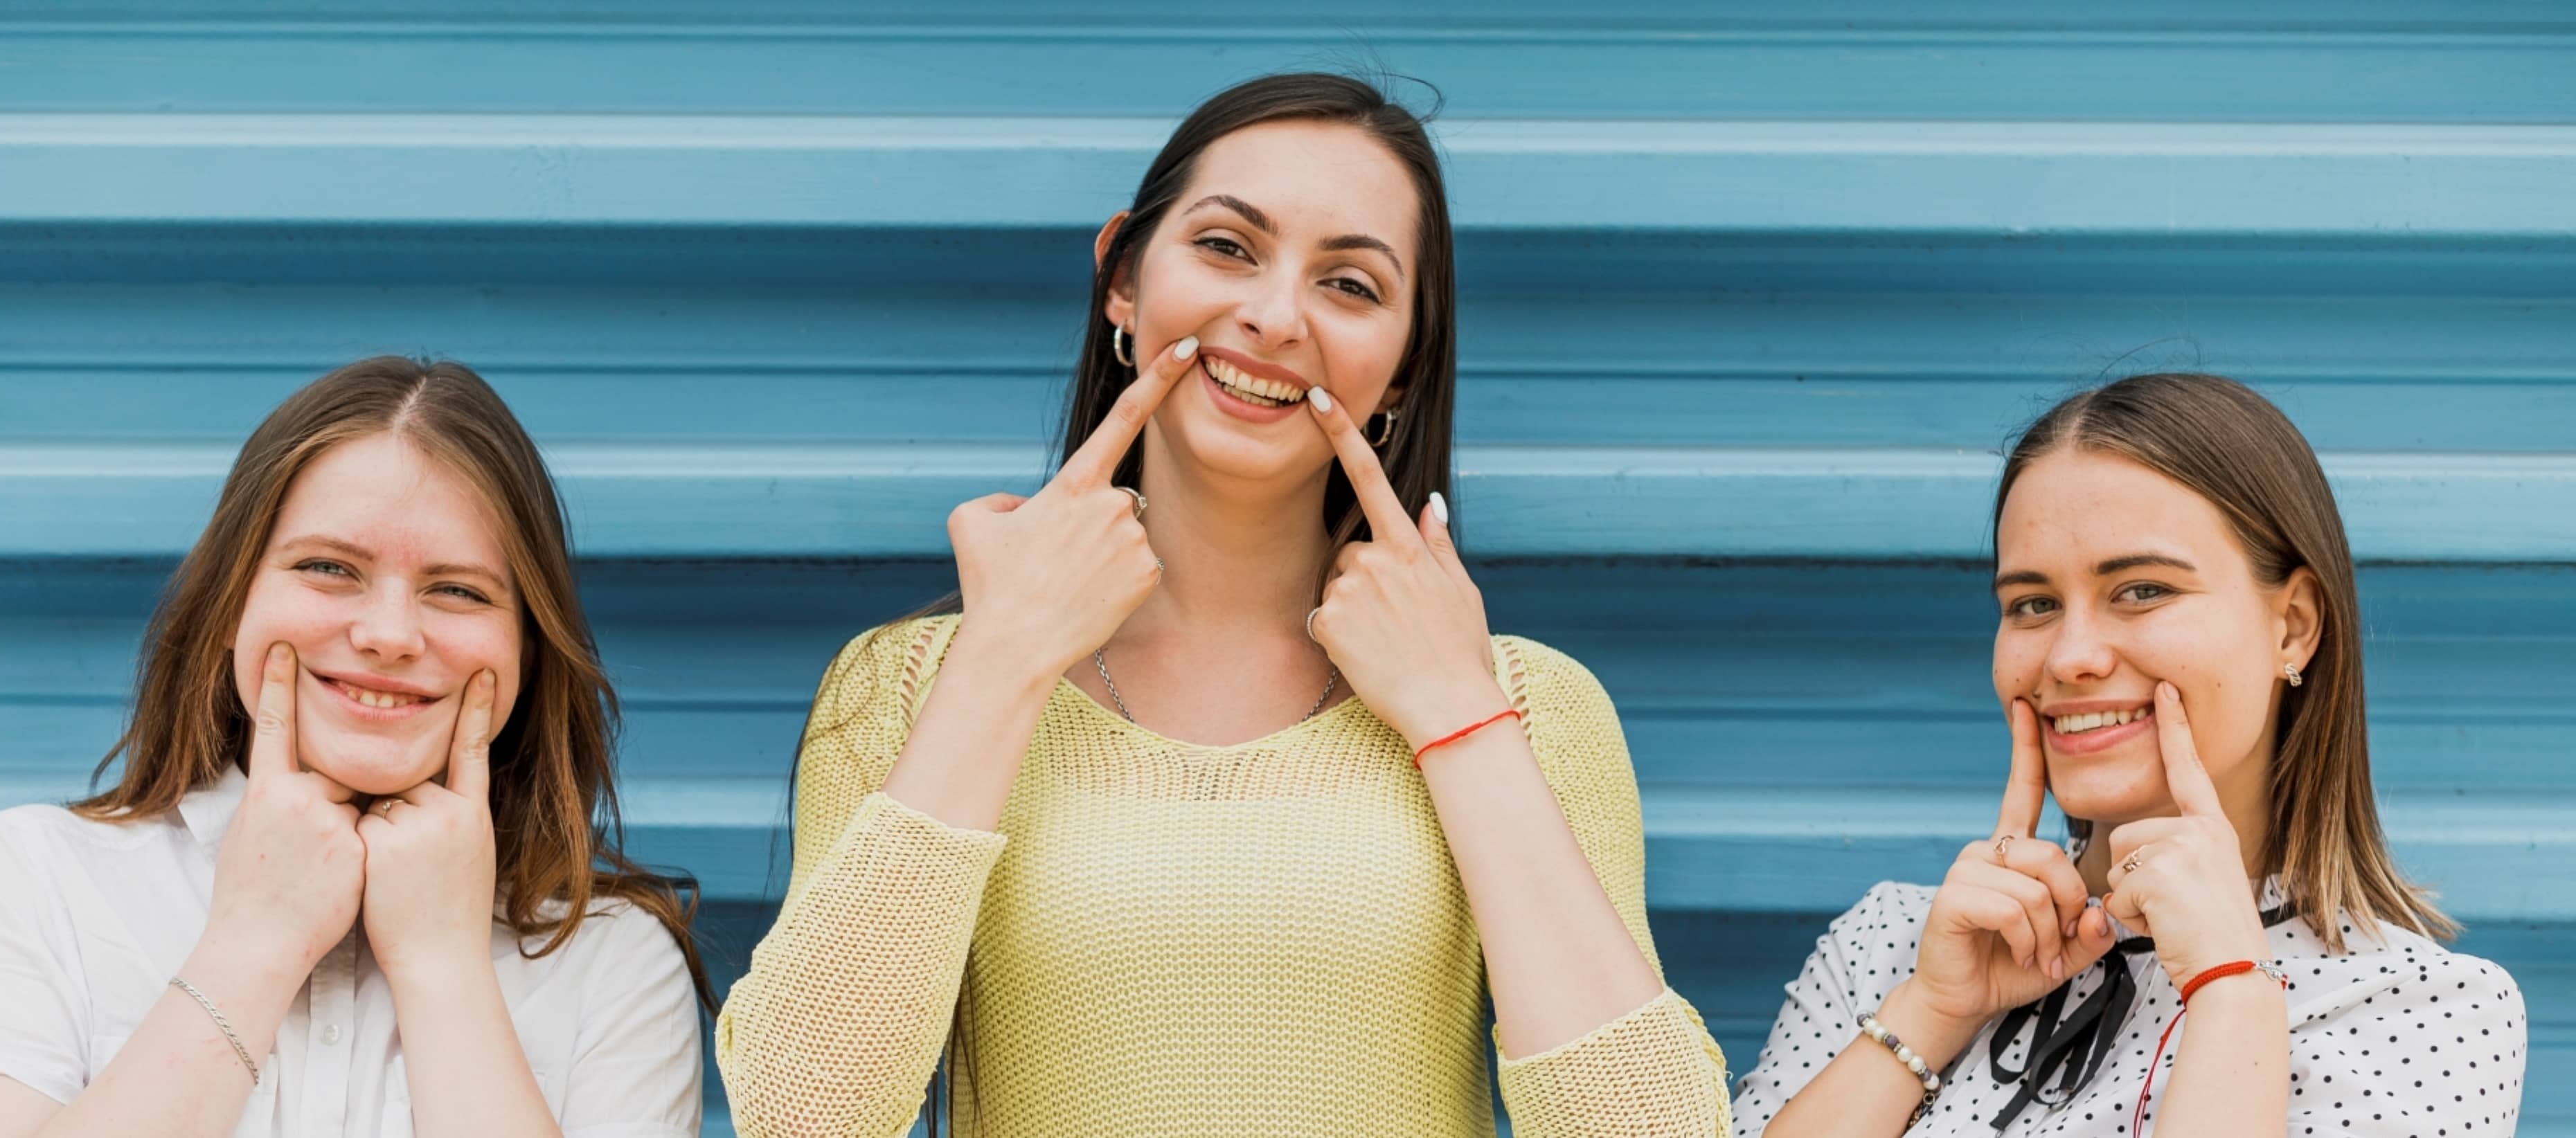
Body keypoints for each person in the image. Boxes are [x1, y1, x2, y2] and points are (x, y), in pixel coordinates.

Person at [715, 72, 1733, 1137]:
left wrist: (1457, 716)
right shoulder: (910, 683)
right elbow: (801, 1115)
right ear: (1122, 278)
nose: (1274, 315)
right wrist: (1004, 658)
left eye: (1350, 285)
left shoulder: (1528, 702)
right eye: (1227, 248)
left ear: (1402, 370)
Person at [0, 357, 708, 1138]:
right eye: (328, 569)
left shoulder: (613, 960)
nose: (387, 634)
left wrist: (442, 968)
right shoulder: (32, 880)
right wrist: (257, 940)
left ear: (526, 645)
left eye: (457, 589)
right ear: (234, 597)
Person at [1733, 372, 2527, 1136]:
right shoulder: (1888, 947)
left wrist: (2230, 993)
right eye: (2033, 604)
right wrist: (1933, 1011)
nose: (2070, 656)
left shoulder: (2426, 1009)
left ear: (2291, 627)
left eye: (2142, 590)